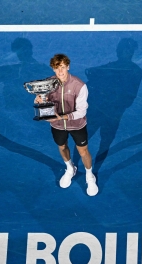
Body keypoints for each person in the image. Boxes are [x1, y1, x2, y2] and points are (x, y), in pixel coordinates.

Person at [34, 54, 99, 196]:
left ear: (68, 67)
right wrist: (39, 100)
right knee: (62, 146)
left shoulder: (79, 85)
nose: (60, 72)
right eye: (57, 68)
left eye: (63, 67)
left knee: (83, 151)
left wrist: (62, 117)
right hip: (57, 126)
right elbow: (44, 100)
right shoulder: (48, 84)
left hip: (77, 125)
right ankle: (70, 168)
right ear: (53, 68)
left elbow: (81, 112)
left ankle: (90, 175)